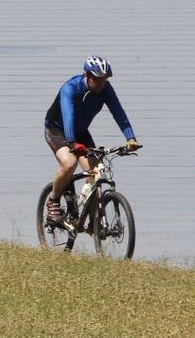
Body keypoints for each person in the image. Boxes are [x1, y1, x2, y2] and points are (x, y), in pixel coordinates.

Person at [43, 55, 142, 222]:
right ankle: (53, 201)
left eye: (104, 79)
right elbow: (69, 115)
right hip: (57, 130)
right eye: (98, 80)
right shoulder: (70, 88)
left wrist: (130, 138)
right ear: (87, 76)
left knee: (96, 174)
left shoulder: (106, 89)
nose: (101, 84)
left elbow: (119, 112)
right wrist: (72, 143)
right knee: (69, 163)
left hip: (80, 132)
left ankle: (94, 224)